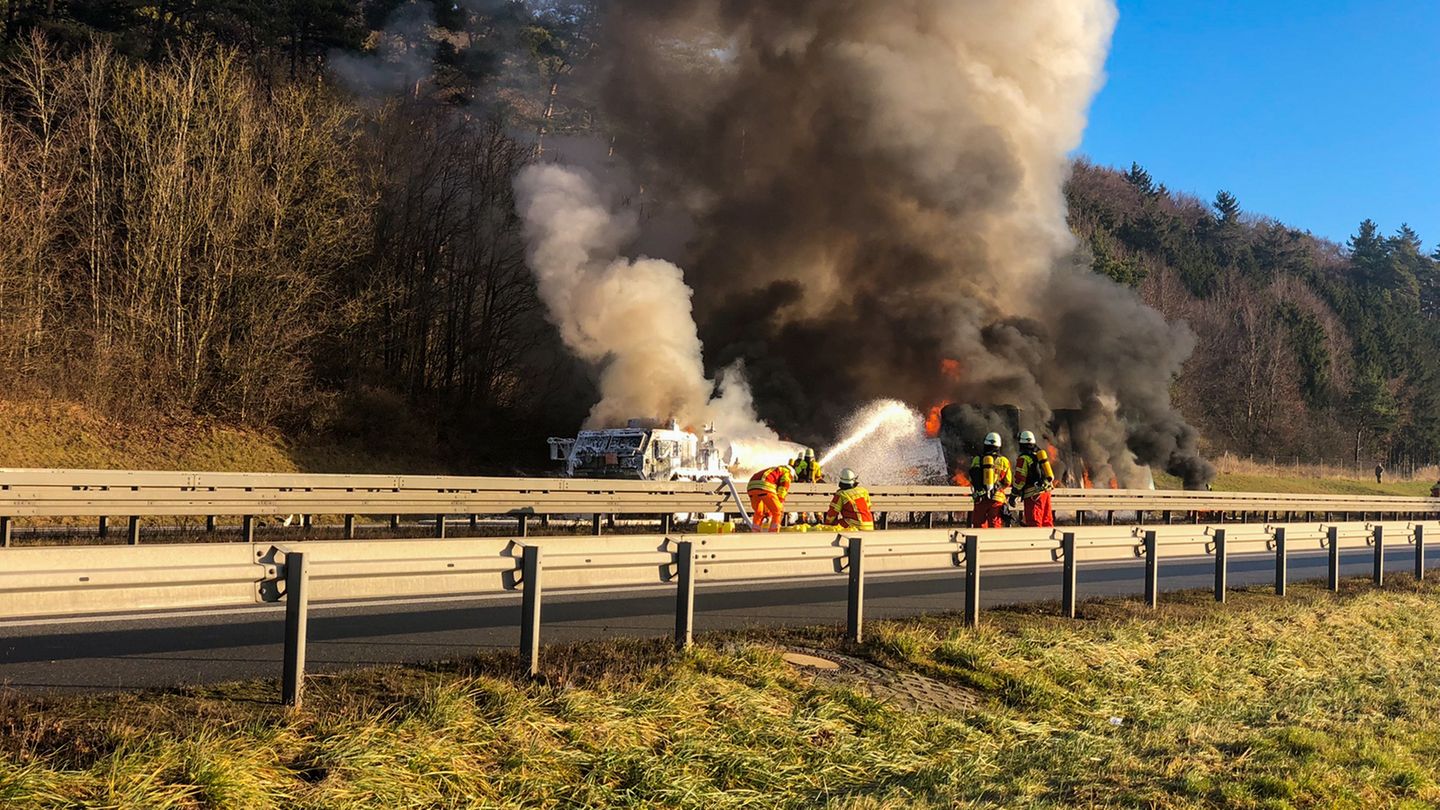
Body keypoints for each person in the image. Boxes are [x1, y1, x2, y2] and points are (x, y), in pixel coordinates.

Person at [1012, 431, 1056, 527]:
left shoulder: (1023, 458)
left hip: (1033, 495)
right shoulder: (1039, 455)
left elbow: (1019, 480)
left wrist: (1014, 494)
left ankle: (1036, 541)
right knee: (1047, 521)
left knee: (1034, 522)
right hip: (1046, 492)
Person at [968, 432, 1012, 529]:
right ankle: (994, 544)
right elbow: (1008, 481)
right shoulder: (1004, 461)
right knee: (995, 526)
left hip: (981, 498)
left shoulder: (977, 459)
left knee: (978, 526)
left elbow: (971, 478)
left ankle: (978, 544)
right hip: (997, 499)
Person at [747, 463, 794, 532]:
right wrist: (780, 501)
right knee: (778, 511)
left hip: (751, 488)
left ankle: (755, 532)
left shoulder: (773, 470)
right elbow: (784, 486)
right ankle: (773, 532)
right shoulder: (787, 472)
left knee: (759, 513)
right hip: (765, 486)